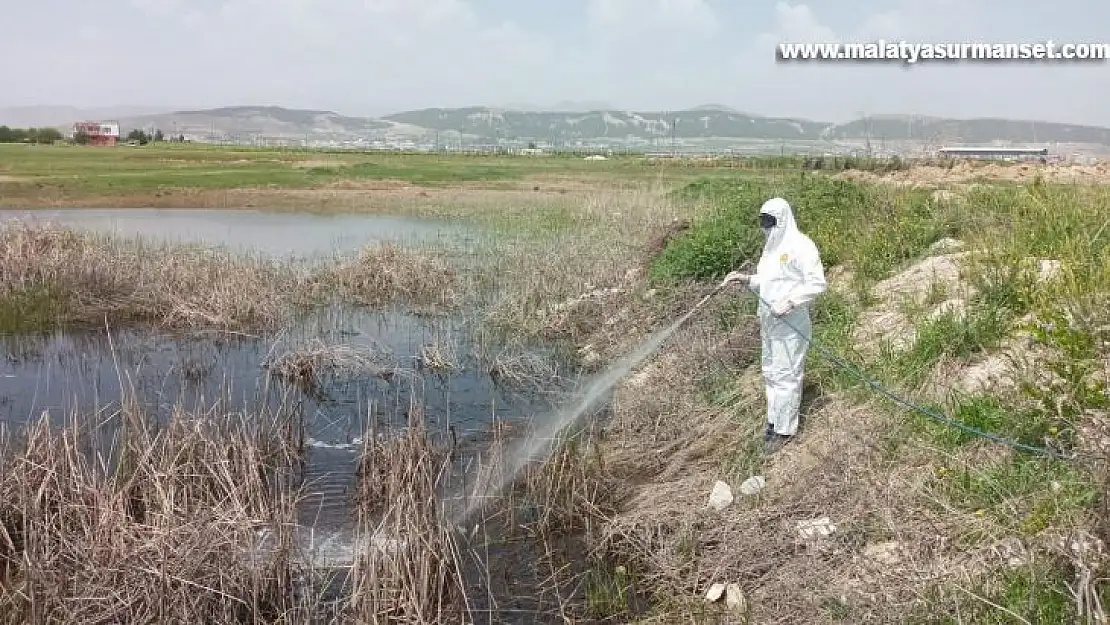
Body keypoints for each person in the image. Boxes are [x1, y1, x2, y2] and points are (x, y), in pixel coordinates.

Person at [720, 197, 827, 454]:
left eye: (769, 221)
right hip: (769, 322)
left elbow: (817, 283)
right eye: (762, 221)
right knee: (771, 372)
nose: (765, 227)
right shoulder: (772, 248)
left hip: (791, 324)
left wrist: (790, 302)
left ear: (782, 220)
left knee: (787, 375)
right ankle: (774, 421)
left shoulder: (801, 246)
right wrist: (746, 279)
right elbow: (769, 280)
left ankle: (785, 431)